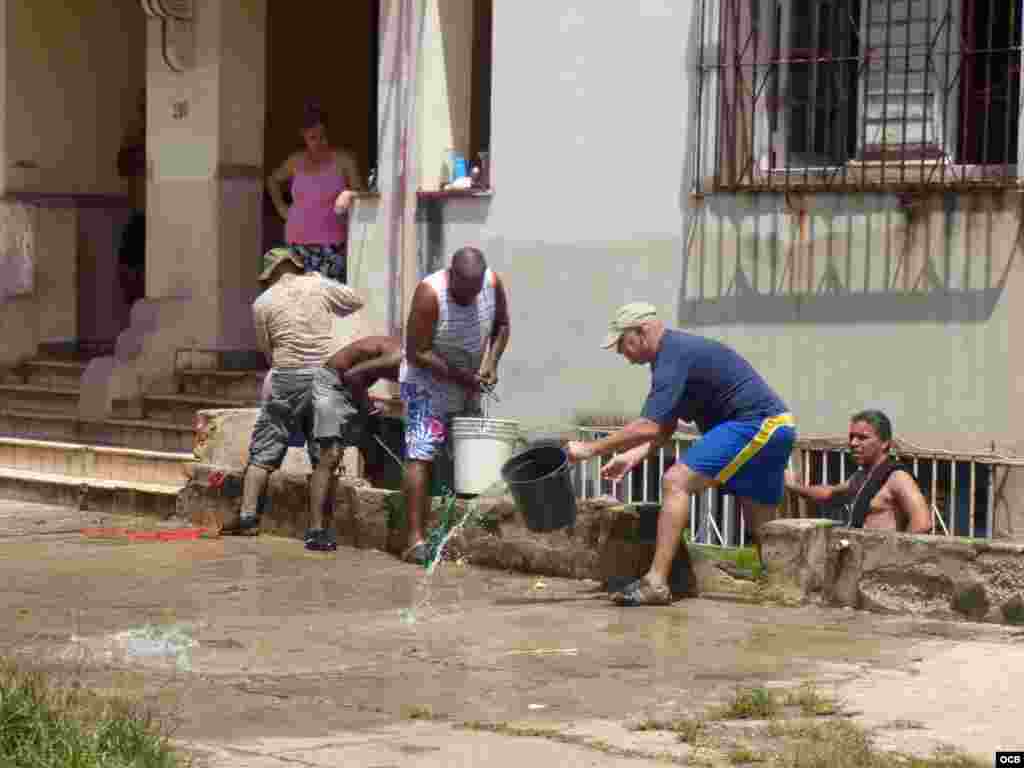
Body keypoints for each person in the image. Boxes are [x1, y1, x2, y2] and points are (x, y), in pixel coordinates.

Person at [566, 303, 796, 607]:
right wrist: (632, 456)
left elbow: (647, 425)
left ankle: (656, 582)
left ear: (642, 331)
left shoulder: (672, 356)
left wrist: (590, 449)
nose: (622, 353)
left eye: (623, 343)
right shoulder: (673, 355)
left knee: (676, 481)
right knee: (758, 516)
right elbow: (663, 427)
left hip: (756, 424)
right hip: (775, 426)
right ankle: (781, 587)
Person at [219, 249, 364, 543]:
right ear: (296, 266)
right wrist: (320, 278)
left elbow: (266, 349)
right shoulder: (318, 285)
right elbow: (355, 300)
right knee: (324, 455)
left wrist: (287, 369)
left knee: (264, 449)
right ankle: (317, 530)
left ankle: (247, 517)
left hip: (285, 377)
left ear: (270, 273)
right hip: (324, 377)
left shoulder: (263, 302)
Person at [399, 247, 510, 565]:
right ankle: (414, 540)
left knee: (466, 456)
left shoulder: (492, 283)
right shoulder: (429, 294)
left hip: (469, 380)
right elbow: (416, 351)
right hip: (426, 384)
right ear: (451, 276)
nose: (471, 296)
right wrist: (463, 377)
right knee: (422, 453)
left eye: (476, 291)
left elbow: (502, 325)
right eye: (464, 290)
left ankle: (457, 536)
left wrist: (492, 362)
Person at [304, 336, 403, 549]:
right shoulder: (398, 358)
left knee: (372, 441)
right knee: (330, 455)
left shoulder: (415, 363)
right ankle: (315, 531)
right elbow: (351, 375)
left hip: (351, 387)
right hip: (332, 385)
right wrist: (367, 405)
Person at [784, 410, 931, 533]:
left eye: (862, 438)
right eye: (852, 437)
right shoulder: (861, 476)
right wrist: (793, 486)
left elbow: (922, 523)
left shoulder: (897, 477)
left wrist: (898, 558)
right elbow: (828, 494)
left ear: (885, 443)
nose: (853, 443)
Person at [266, 101, 361, 283]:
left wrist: (348, 194)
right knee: (298, 300)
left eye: (323, 136)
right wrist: (280, 207)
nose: (319, 142)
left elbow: (361, 195)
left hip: (331, 244)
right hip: (296, 243)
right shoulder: (295, 161)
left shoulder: (344, 160)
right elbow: (272, 180)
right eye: (313, 138)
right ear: (303, 136)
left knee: (326, 299)